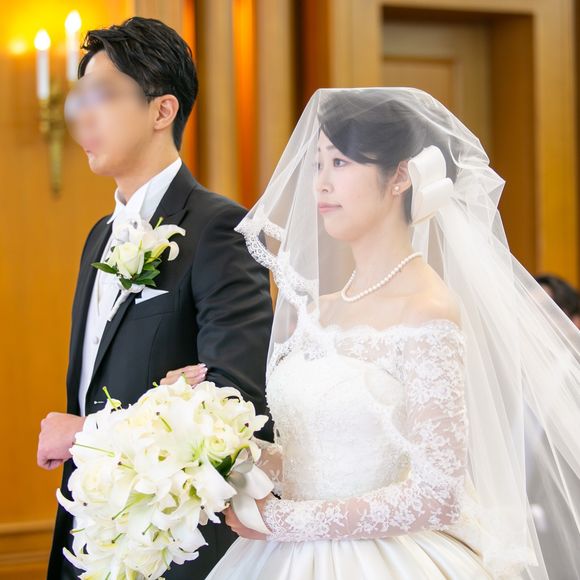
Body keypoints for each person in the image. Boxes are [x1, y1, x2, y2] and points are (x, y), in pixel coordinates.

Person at [206, 88, 580, 579]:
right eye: (318, 164)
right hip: (280, 557)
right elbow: (310, 453)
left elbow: (438, 493)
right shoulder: (320, 309)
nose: (321, 183)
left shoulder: (427, 309)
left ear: (400, 176)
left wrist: (286, 521)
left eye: (341, 163)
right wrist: (228, 451)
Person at [37, 17, 273, 580]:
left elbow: (236, 402)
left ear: (162, 110)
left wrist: (85, 434)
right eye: (80, 98)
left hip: (174, 544)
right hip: (90, 533)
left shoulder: (220, 229)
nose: (83, 116)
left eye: (103, 95)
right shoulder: (100, 236)